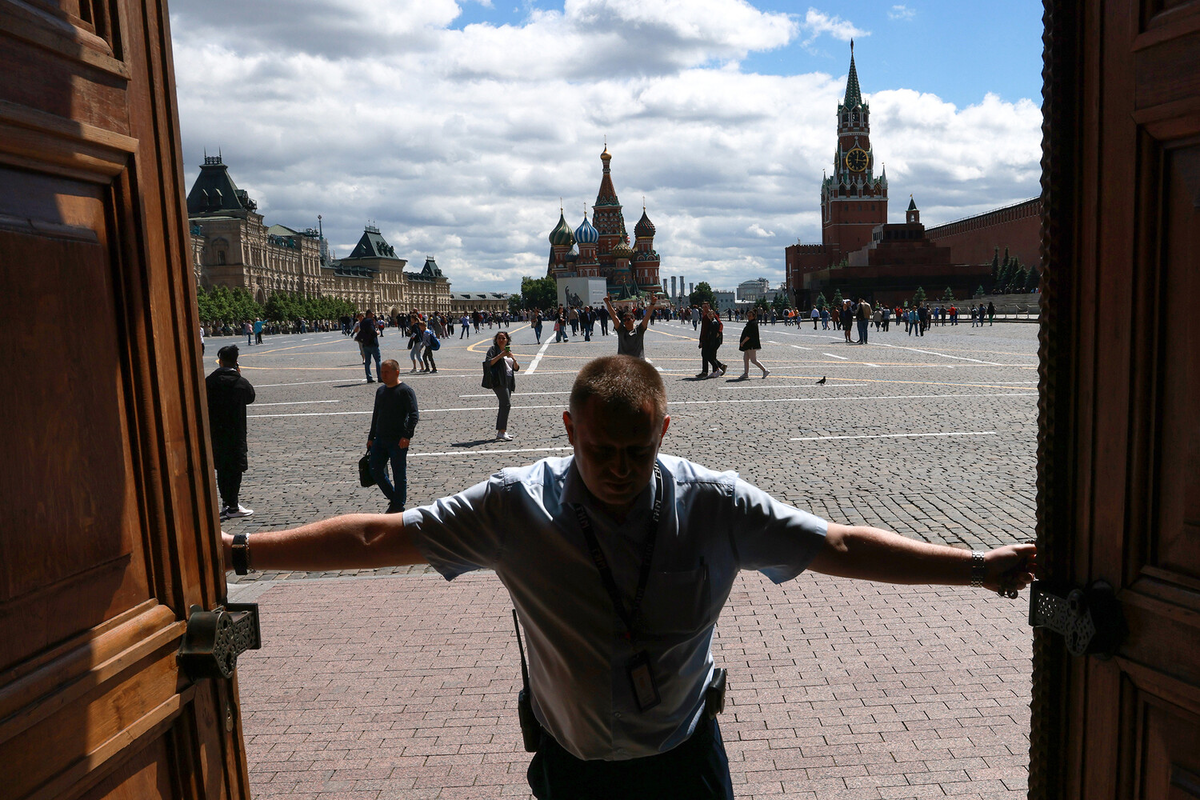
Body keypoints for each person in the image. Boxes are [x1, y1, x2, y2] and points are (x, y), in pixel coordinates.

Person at [221, 355, 1038, 800]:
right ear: (567, 428)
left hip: (684, 767)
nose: (618, 469)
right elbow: (376, 535)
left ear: (665, 431)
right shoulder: (514, 507)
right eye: (599, 451)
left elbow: (844, 546)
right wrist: (240, 556)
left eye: (637, 453)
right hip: (572, 774)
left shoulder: (715, 505)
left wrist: (976, 567)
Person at [206, 345, 256, 520]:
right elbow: (250, 397)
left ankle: (226, 502)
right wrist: (239, 374)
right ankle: (233, 505)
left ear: (220, 361)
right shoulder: (240, 382)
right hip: (235, 432)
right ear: (236, 361)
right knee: (235, 470)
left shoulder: (210, 381)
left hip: (216, 432)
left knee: (222, 468)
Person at [367, 360, 419, 514]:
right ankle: (395, 499)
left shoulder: (405, 391)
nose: (383, 375)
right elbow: (376, 415)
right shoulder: (380, 391)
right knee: (375, 469)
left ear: (397, 372)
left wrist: (407, 436)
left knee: (399, 474)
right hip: (380, 439)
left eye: (386, 372)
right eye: (381, 372)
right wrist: (371, 437)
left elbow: (414, 415)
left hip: (398, 440)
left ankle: (398, 505)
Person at [485, 331, 520, 441]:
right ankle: (502, 431)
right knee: (506, 404)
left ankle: (501, 431)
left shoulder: (508, 351)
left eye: (503, 338)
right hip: (498, 380)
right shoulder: (493, 350)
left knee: (504, 405)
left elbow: (516, 368)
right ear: (496, 340)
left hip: (508, 380)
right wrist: (501, 355)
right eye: (499, 338)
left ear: (507, 340)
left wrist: (513, 358)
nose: (501, 340)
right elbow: (488, 363)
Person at [604, 294, 657, 361]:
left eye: (628, 319)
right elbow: (614, 316)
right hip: (623, 362)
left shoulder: (639, 330)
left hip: (638, 362)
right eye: (624, 320)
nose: (626, 321)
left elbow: (647, 317)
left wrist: (652, 304)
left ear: (633, 320)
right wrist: (607, 303)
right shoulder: (621, 330)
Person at [737, 308, 769, 380]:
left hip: (751, 344)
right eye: (748, 315)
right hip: (748, 345)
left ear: (753, 316)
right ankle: (746, 373)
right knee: (745, 358)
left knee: (753, 360)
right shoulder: (750, 323)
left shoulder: (753, 324)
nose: (748, 317)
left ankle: (765, 370)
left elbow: (749, 335)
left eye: (750, 316)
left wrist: (743, 342)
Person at [697, 305, 727, 378]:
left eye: (706, 307)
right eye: (703, 307)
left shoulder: (713, 316)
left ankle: (715, 370)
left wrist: (719, 332)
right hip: (706, 339)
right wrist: (701, 340)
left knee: (709, 355)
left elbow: (720, 324)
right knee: (706, 355)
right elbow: (703, 330)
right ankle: (717, 368)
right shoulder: (705, 316)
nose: (704, 308)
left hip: (711, 340)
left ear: (709, 307)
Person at [356, 310, 382, 383]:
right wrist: (376, 333)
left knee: (367, 362)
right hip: (372, 343)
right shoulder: (369, 321)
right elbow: (371, 331)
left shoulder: (362, 322)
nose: (373, 315)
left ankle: (369, 377)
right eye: (372, 314)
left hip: (365, 343)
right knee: (378, 360)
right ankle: (380, 377)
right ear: (369, 314)